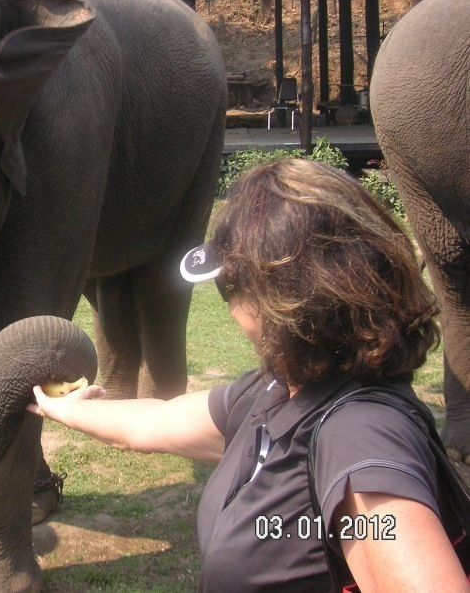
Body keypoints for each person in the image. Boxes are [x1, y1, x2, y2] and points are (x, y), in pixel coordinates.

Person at [29, 158, 469, 591]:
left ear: (285, 297)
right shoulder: (280, 390)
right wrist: (63, 409)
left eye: (227, 286)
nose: (229, 305)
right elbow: (153, 423)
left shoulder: (358, 437)